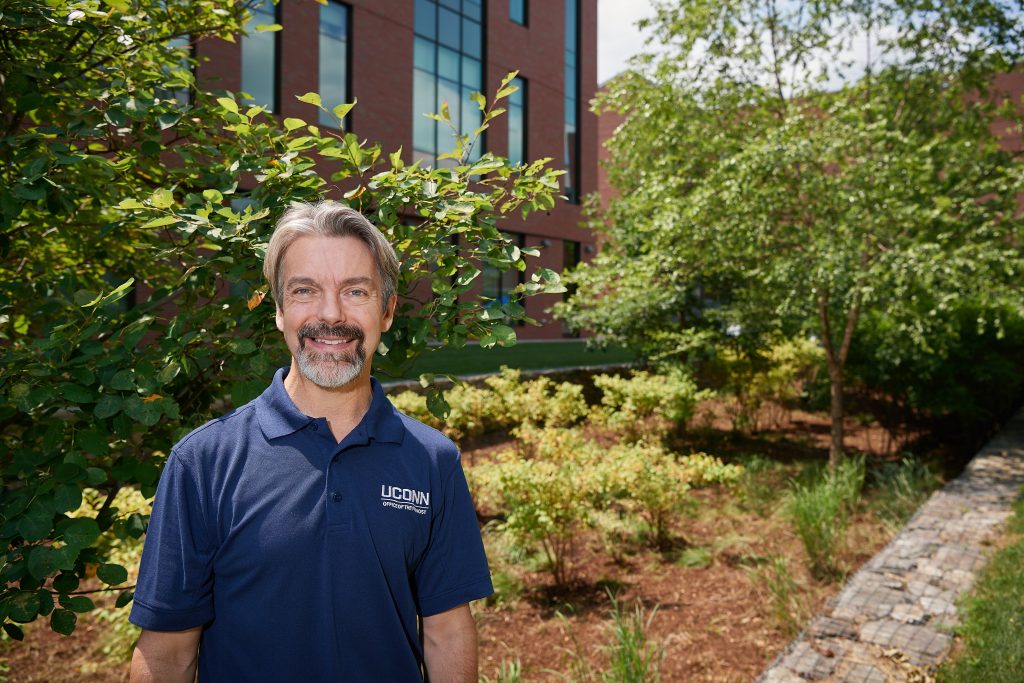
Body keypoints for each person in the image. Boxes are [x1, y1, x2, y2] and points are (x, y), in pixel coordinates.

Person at [129, 201, 493, 682]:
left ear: (386, 311)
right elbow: (168, 652)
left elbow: (447, 631)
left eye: (355, 291)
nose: (330, 314)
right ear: (278, 311)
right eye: (305, 291)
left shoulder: (432, 460)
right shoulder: (203, 462)